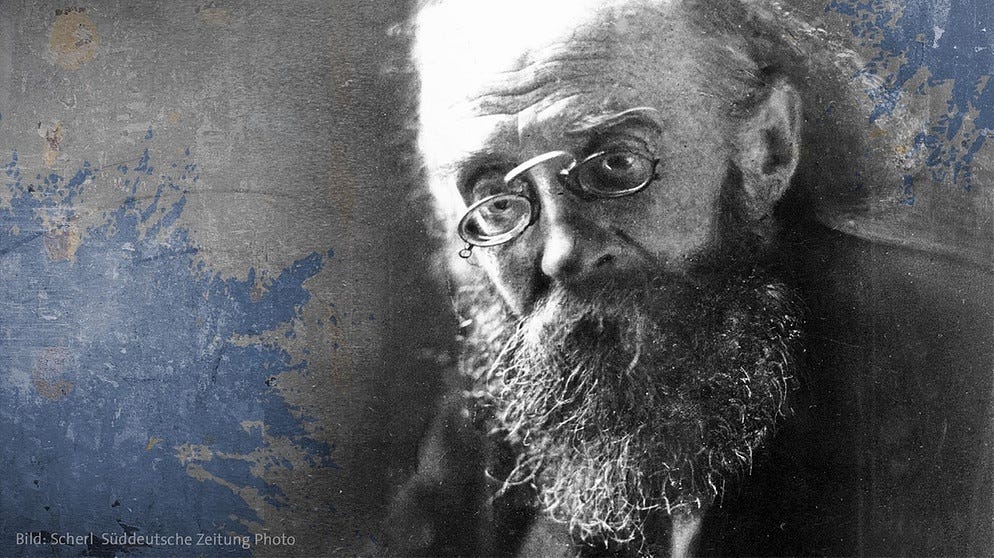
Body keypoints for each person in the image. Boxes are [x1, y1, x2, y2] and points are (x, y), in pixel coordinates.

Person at [384, 1, 994, 556]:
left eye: (616, 163)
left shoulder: (964, 364)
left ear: (767, 148)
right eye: (498, 202)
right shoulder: (512, 393)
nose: (562, 254)